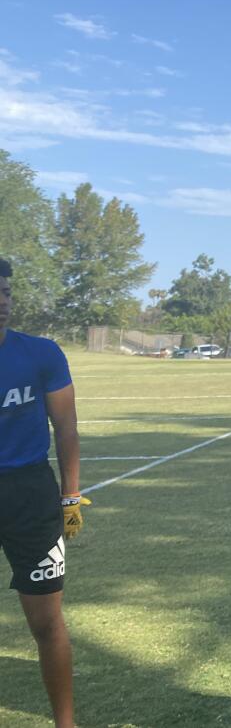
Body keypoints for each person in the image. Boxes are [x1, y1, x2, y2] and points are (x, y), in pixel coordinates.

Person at [0, 258, 84, 728]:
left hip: (31, 496)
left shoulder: (41, 353)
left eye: (6, 291)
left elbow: (66, 427)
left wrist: (70, 498)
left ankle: (64, 725)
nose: (2, 301)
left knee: (47, 623)